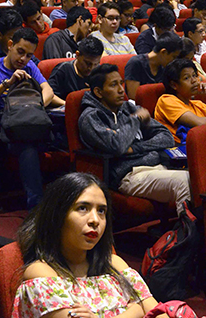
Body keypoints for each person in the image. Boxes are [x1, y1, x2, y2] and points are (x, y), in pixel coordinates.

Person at [12, 173, 206, 318]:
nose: (95, 220)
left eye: (101, 211)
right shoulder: (41, 272)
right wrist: (137, 310)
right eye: (82, 208)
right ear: (57, 214)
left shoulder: (113, 263)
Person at [79, 66, 190, 215]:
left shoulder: (127, 108)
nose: (121, 90)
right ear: (99, 92)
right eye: (113, 85)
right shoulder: (91, 118)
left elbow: (166, 136)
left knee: (200, 176)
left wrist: (136, 148)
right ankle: (187, 234)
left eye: (121, 83)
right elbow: (118, 145)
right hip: (128, 175)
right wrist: (136, 120)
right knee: (185, 182)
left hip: (158, 165)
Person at [0, 28, 54, 208]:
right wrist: (6, 84)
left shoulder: (29, 66)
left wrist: (36, 105)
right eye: (20, 52)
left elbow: (48, 90)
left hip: (32, 120)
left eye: (29, 55)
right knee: (28, 147)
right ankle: (37, 209)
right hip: (8, 126)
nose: (23, 59)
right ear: (10, 45)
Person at [155, 59, 206, 145]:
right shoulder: (166, 100)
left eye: (194, 75)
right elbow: (199, 123)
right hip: (180, 150)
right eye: (186, 78)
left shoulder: (198, 104)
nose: (194, 81)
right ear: (174, 85)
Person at [124, 34, 184, 100]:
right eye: (173, 57)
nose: (174, 60)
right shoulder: (135, 63)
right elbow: (134, 97)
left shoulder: (165, 67)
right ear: (163, 52)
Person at [48, 37, 103, 102]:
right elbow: (50, 95)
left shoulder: (99, 72)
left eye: (95, 64)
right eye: (87, 63)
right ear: (77, 55)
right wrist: (69, 106)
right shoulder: (63, 70)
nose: (90, 68)